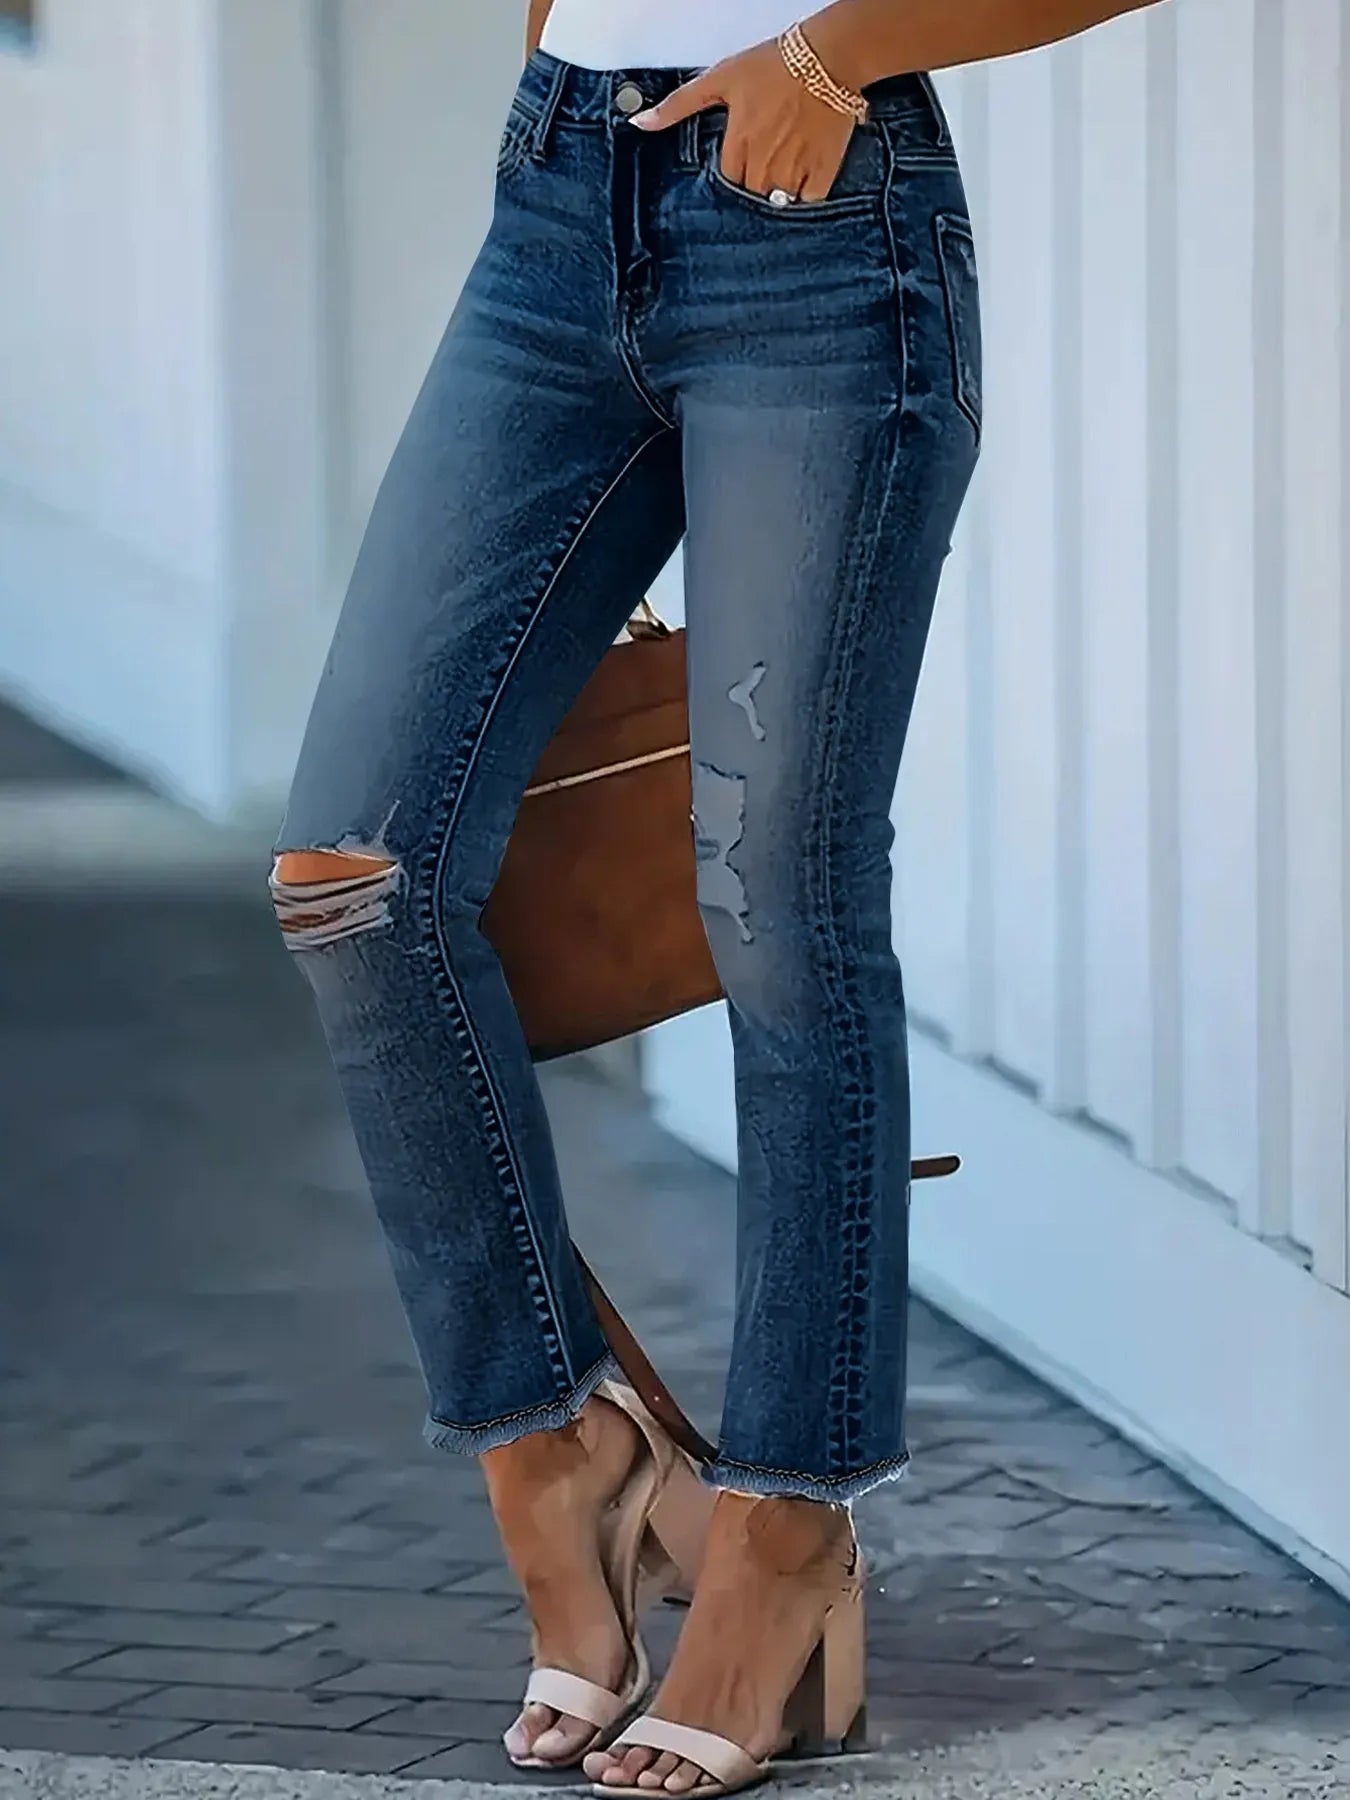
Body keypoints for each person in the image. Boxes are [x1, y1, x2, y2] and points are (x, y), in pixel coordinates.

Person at [270, 1, 1160, 1791]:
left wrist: (837, 57)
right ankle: (553, 1446)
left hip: (826, 219)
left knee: (782, 898)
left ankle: (785, 1522)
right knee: (351, 871)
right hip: (558, 188)